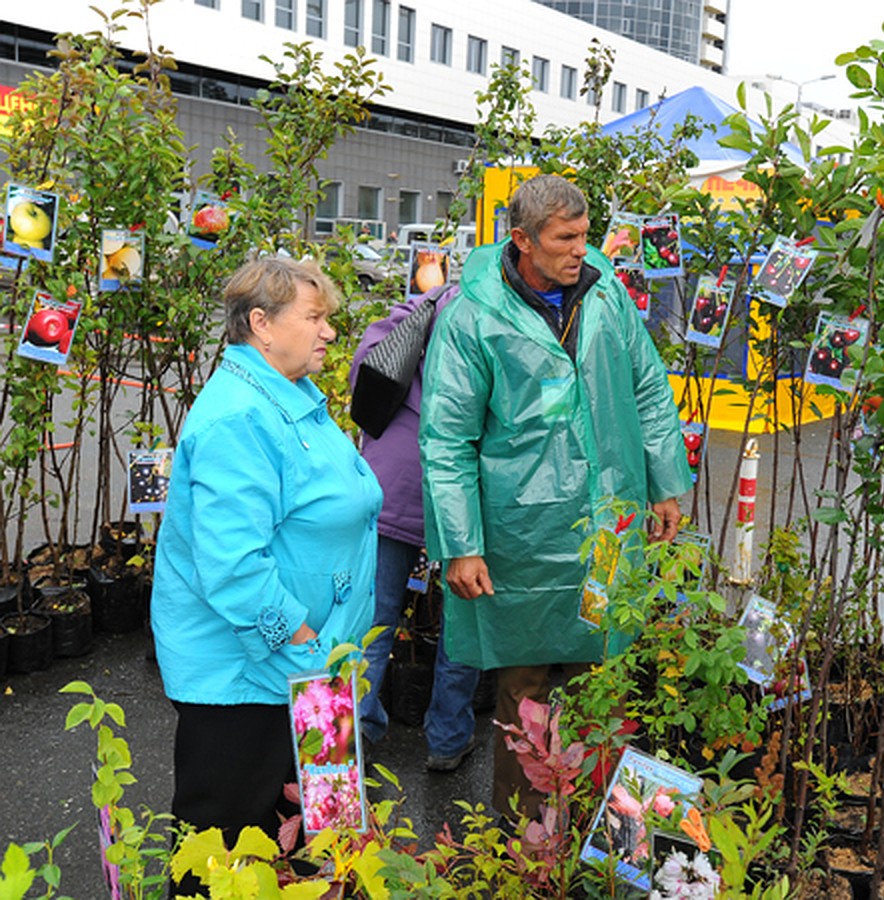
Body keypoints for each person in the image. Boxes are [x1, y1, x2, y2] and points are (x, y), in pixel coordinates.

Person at [419, 174, 692, 820]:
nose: (580, 251)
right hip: (523, 537)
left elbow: (648, 388)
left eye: (585, 235)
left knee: (604, 682)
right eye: (564, 239)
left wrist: (667, 483)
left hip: (607, 522)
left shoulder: (602, 294)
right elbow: (446, 437)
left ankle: (600, 845)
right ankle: (524, 854)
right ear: (521, 240)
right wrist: (461, 545)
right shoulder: (474, 316)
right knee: (527, 695)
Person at [151, 257, 382, 882]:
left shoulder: (292, 395)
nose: (329, 332)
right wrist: (300, 638)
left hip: (319, 664)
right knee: (227, 851)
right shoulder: (239, 418)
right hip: (254, 674)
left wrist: (324, 655)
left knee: (322, 834)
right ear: (262, 324)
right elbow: (232, 564)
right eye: (314, 318)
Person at [351, 288, 482, 770]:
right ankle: (447, 738)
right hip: (465, 496)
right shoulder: (497, 320)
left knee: (374, 618)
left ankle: (360, 730)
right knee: (464, 623)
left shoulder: (423, 310)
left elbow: (366, 370)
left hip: (392, 482)